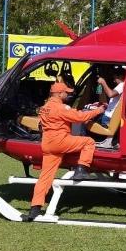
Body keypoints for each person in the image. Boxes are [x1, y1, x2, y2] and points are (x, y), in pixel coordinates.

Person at [22, 82, 105, 222]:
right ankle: (81, 170)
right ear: (59, 94)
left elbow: (41, 125)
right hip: (60, 142)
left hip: (47, 145)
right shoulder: (62, 108)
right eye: (66, 92)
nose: (68, 94)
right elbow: (80, 117)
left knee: (44, 178)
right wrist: (99, 110)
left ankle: (34, 209)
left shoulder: (44, 108)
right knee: (89, 142)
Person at [94, 66, 125, 148]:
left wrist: (103, 82)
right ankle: (110, 142)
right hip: (110, 113)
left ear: (120, 77)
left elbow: (111, 94)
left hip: (109, 117)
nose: (114, 81)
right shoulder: (123, 85)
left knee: (86, 122)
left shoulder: (122, 84)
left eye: (115, 78)